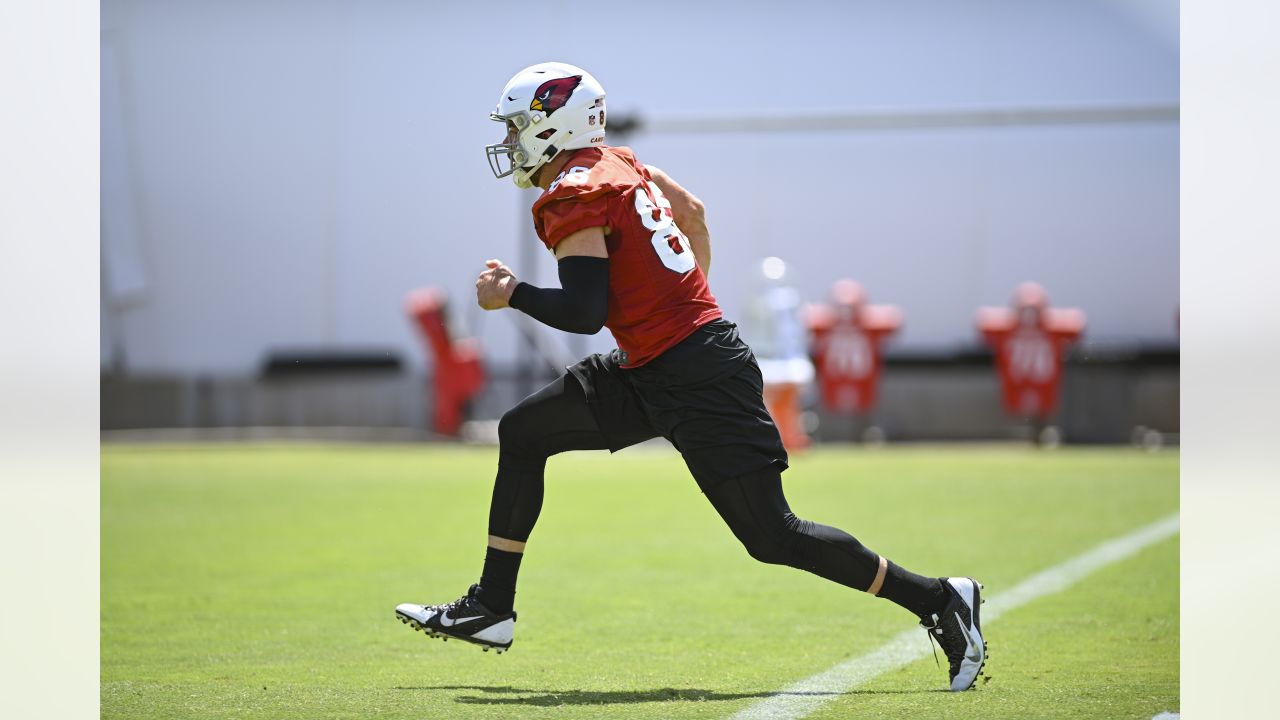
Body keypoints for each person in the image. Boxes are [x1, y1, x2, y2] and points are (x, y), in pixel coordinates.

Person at [395, 62, 986, 691]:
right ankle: (492, 606)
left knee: (772, 536)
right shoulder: (619, 162)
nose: (513, 142)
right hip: (660, 361)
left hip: (696, 375)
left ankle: (939, 599)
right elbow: (694, 214)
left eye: (520, 126)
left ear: (553, 123)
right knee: (523, 432)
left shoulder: (574, 190)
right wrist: (687, 305)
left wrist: (510, 294)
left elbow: (585, 313)